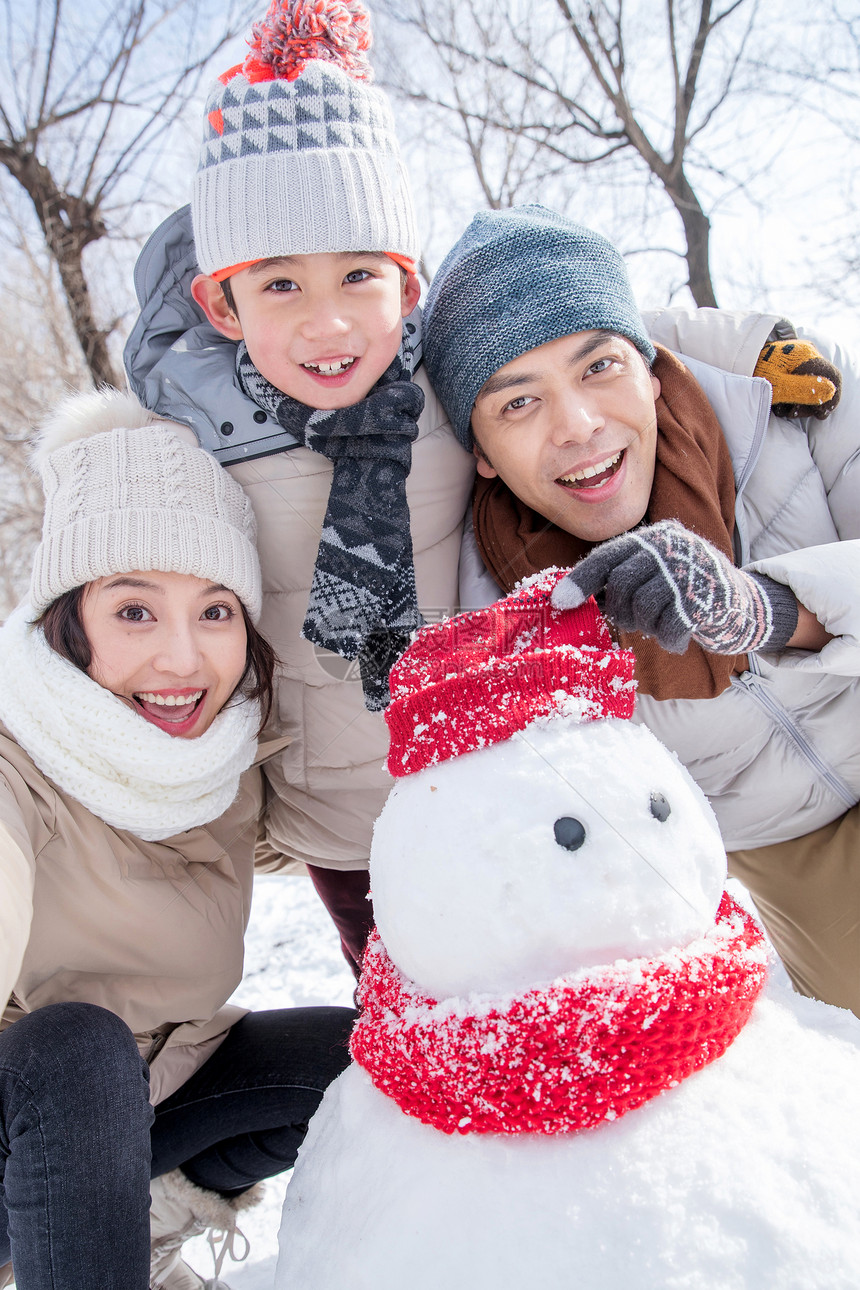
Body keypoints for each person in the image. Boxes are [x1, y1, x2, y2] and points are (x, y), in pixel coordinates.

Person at [421, 204, 860, 1016]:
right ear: (478, 450)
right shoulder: (486, 604)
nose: (578, 427)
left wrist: (763, 608)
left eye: (599, 369)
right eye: (518, 403)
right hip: (774, 835)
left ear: (651, 368)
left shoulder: (799, 402)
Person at [124, 0, 474, 976]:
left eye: (356, 274)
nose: (327, 325)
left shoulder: (454, 399)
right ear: (221, 303)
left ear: (406, 286)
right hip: (329, 819)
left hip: (474, 782)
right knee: (396, 1008)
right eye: (280, 285)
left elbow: (602, 352)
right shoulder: (192, 442)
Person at [0, 388, 355, 1290]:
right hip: (21, 1123)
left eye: (215, 611)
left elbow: (335, 816)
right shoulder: (18, 751)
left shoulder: (218, 758)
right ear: (66, 620)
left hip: (148, 1102)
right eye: (133, 611)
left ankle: (134, 1217)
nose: (182, 660)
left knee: (366, 1059)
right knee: (74, 1044)